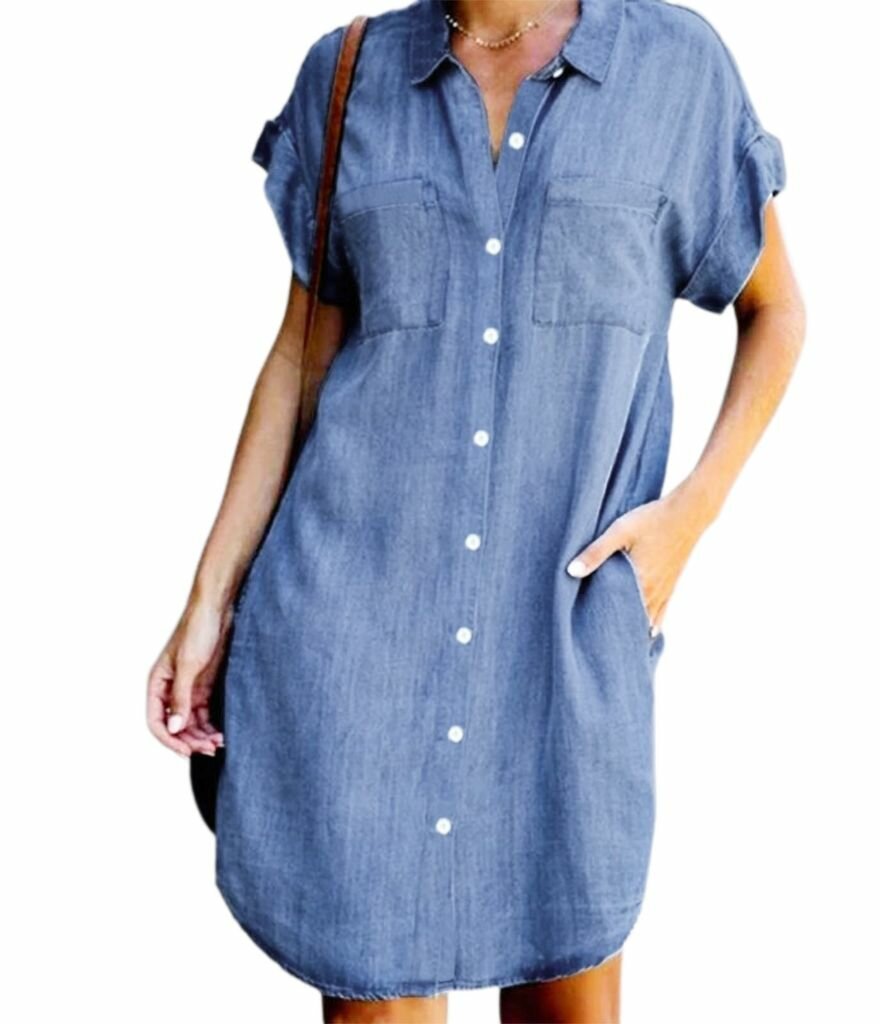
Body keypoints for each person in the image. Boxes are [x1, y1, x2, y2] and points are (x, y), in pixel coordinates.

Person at [146, 1, 805, 1020]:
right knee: (376, 988)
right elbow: (301, 357)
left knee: (568, 983)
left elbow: (776, 312)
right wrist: (207, 601)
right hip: (352, 649)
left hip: (560, 644)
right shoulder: (347, 74)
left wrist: (688, 519)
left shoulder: (676, 68)